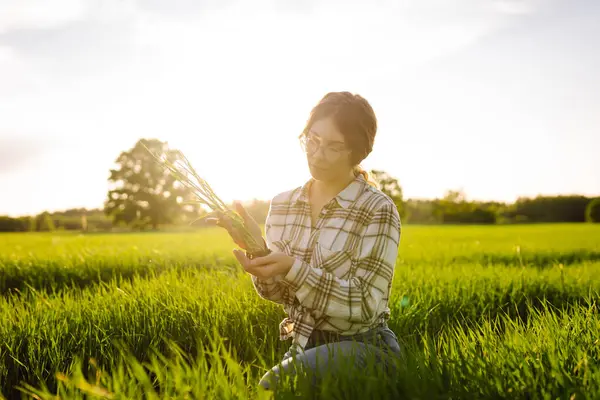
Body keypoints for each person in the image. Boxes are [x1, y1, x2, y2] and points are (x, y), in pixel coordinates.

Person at [224, 91, 403, 392]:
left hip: (365, 346)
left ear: (356, 153)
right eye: (313, 139)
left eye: (334, 147)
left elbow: (365, 304)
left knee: (273, 387)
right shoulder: (282, 205)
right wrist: (259, 253)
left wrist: (293, 267)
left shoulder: (377, 209)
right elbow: (279, 294)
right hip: (302, 346)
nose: (317, 154)